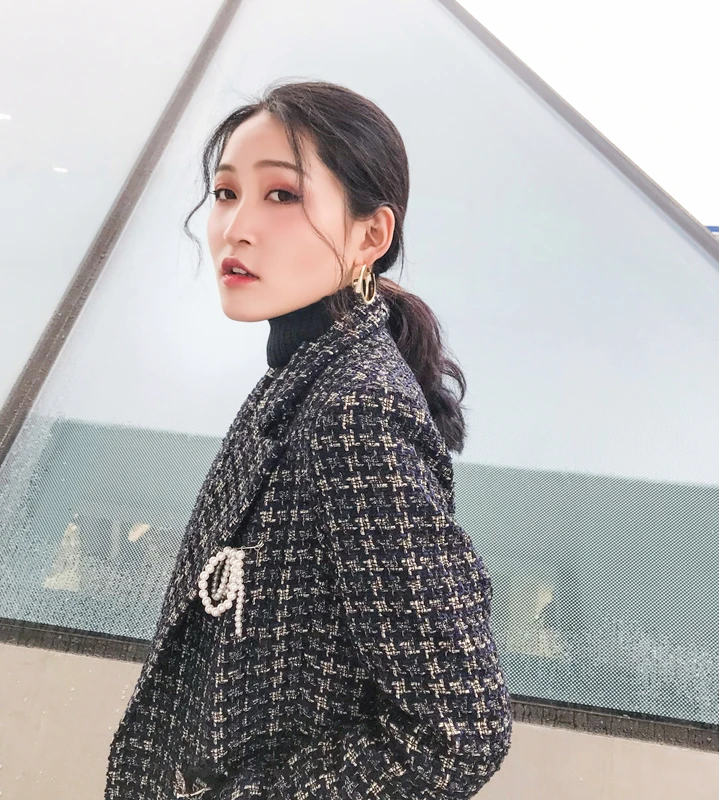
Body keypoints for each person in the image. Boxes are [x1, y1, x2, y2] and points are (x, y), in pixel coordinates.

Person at [105, 80, 512, 800]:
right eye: (226, 193)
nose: (235, 228)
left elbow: (460, 733)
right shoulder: (305, 375)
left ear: (370, 237)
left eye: (282, 195)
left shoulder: (355, 410)